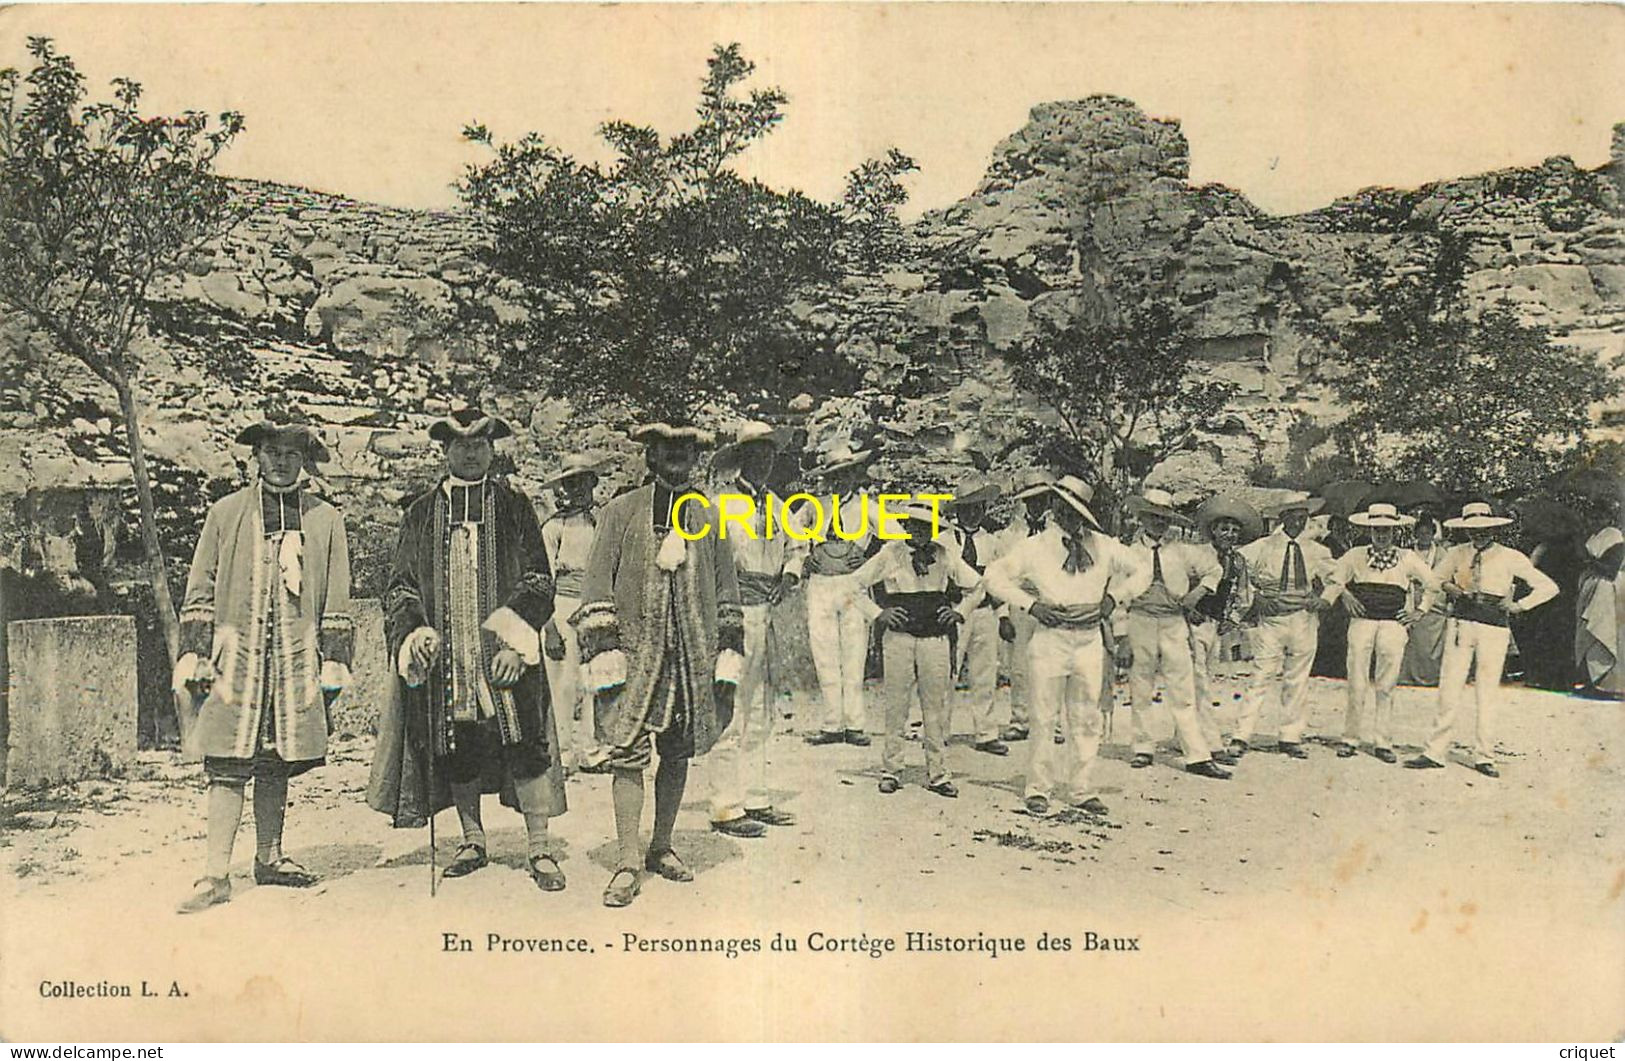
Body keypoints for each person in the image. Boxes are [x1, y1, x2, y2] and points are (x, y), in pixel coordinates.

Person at [366, 409, 568, 892]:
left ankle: (539, 846)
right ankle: (472, 838)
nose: (471, 451)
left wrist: (519, 645)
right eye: (460, 444)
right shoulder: (421, 514)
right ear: (445, 451)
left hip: (506, 654)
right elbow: (400, 587)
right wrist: (416, 635)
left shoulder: (514, 507)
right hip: (448, 657)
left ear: (493, 449)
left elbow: (539, 580)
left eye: (480, 443)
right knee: (457, 745)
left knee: (526, 744)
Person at [174, 418, 353, 914]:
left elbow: (337, 595)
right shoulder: (226, 514)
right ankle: (214, 874)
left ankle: (269, 857)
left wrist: (334, 661)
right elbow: (201, 585)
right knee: (227, 763)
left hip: (295, 661)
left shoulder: (325, 520)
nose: (280, 462)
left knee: (276, 758)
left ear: (304, 461)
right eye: (272, 452)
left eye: (291, 454)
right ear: (256, 456)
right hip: (236, 660)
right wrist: (196, 651)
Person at [573, 420, 743, 908]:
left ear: (696, 458)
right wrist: (606, 655)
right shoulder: (619, 513)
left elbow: (726, 593)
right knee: (626, 754)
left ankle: (661, 845)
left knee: (678, 751)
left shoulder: (710, 519)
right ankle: (628, 860)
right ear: (649, 456)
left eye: (685, 449)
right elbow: (596, 588)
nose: (676, 457)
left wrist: (724, 659)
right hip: (632, 658)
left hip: (690, 658)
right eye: (666, 449)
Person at [984, 476, 1152, 817]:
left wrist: (1115, 598)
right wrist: (1030, 605)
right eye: (1064, 508)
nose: (1070, 516)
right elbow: (993, 576)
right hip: (1050, 638)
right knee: (1044, 717)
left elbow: (1143, 569)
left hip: (1089, 639)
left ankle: (1081, 788)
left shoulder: (1103, 545)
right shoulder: (1033, 547)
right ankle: (1038, 788)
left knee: (1086, 717)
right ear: (1054, 507)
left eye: (1077, 511)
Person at [838, 502, 984, 797]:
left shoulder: (945, 554)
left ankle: (939, 773)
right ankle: (891, 769)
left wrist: (960, 611)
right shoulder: (891, 553)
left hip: (935, 637)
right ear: (905, 526)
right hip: (899, 636)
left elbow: (978, 585)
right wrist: (878, 613)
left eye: (926, 527)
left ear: (935, 530)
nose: (920, 532)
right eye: (914, 525)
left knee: (935, 706)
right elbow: (853, 584)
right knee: (896, 703)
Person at [702, 421, 805, 837]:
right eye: (756, 455)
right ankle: (725, 805)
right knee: (729, 705)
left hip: (765, 610)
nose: (764, 462)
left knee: (761, 708)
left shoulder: (778, 506)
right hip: (731, 613)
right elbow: (702, 555)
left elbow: (800, 545)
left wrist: (792, 575)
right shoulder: (719, 504)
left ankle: (756, 796)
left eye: (769, 455)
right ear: (741, 459)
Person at [1406, 502, 1559, 777]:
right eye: (1473, 530)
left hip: (1494, 627)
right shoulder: (1455, 553)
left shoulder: (1510, 556)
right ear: (1465, 530)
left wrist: (1520, 606)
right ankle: (1434, 751)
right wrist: (1448, 586)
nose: (1479, 534)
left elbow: (1548, 587)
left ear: (1494, 528)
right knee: (1449, 687)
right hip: (1460, 623)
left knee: (1487, 690)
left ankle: (1484, 756)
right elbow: (1432, 579)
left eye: (1484, 529)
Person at [1121, 488, 1233, 776]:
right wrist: (1121, 635)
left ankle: (1196, 754)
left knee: (1183, 688)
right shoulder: (1128, 553)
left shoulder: (1182, 551)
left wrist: (1197, 594)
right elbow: (1114, 593)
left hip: (1173, 622)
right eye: (1153, 517)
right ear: (1142, 518)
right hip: (1140, 620)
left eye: (1164, 518)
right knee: (1141, 684)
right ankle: (1142, 748)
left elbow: (1214, 570)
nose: (1159, 523)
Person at [1322, 503, 1441, 763]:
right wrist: (1345, 594)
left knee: (1386, 683)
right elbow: (1333, 577)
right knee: (1356, 680)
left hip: (1393, 624)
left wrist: (1419, 611)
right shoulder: (1355, 555)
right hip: (1362, 622)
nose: (1382, 534)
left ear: (1395, 531)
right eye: (1377, 529)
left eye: (1387, 529)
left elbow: (1433, 584)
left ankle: (1382, 741)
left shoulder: (1407, 557)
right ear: (1369, 529)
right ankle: (1350, 738)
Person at [1233, 494, 1335, 759]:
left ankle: (1290, 737)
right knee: (1261, 675)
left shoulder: (1316, 550)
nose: (1299, 523)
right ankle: (1241, 735)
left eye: (1303, 518)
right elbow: (1238, 570)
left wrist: (1323, 599)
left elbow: (1336, 578)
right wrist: (1256, 598)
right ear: (1283, 519)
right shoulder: (1262, 547)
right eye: (1294, 518)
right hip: (1273, 619)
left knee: (1297, 679)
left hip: (1303, 617)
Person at [800, 443, 878, 747]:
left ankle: (855, 724)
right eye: (835, 475)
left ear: (854, 475)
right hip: (820, 583)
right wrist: (809, 551)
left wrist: (867, 555)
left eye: (846, 474)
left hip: (852, 583)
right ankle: (832, 724)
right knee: (824, 653)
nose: (840, 480)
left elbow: (896, 533)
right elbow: (791, 527)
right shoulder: (814, 505)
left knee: (854, 653)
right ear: (827, 478)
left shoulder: (866, 505)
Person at [539, 453, 606, 773]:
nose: (578, 490)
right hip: (562, 606)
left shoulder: (603, 523)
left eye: (584, 482)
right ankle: (562, 753)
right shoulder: (554, 527)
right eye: (571, 483)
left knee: (595, 679)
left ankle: (592, 750)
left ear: (593, 484)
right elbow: (543, 578)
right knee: (563, 683)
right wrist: (549, 624)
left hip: (596, 607)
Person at [946, 484, 1009, 756]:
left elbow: (999, 581)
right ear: (957, 510)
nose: (971, 514)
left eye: (977, 508)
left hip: (984, 612)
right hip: (953, 609)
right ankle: (938, 729)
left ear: (983, 510)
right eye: (966, 508)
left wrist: (1003, 615)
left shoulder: (992, 541)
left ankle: (986, 732)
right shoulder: (946, 538)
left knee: (984, 672)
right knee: (947, 669)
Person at [1189, 495, 1260, 728]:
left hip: (1215, 625)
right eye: (1224, 529)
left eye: (1234, 530)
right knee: (1195, 679)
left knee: (1207, 678)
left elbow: (1244, 593)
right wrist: (1186, 609)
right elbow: (1181, 584)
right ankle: (1201, 737)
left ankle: (1194, 735)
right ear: (1213, 530)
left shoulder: (1238, 562)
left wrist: (1233, 618)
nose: (1229, 534)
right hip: (1192, 624)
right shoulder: (1198, 554)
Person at [997, 469, 1056, 744]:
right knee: (1020, 666)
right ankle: (1020, 720)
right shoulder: (1011, 535)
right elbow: (1001, 575)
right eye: (1031, 501)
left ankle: (1051, 724)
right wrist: (1001, 615)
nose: (1037, 505)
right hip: (1020, 604)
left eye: (1042, 499)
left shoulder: (1059, 533)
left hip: (1050, 603)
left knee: (1052, 664)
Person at [1398, 511, 1450, 686]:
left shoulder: (1441, 553)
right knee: (1409, 635)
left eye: (1427, 533)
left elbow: (1444, 576)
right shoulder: (1407, 553)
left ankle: (1430, 676)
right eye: (1420, 533)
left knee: (1431, 639)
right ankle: (1408, 675)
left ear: (1433, 534)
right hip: (1411, 593)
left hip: (1434, 597)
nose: (1424, 537)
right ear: (1415, 534)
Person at [1576, 526, 1624, 698]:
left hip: (1605, 589)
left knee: (1601, 633)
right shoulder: (1595, 533)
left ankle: (1605, 684)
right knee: (1588, 635)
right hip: (1593, 586)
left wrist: (1588, 561)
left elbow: (1611, 570)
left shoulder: (1614, 535)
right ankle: (1592, 681)